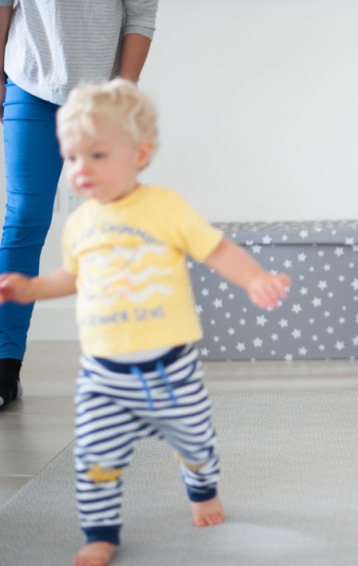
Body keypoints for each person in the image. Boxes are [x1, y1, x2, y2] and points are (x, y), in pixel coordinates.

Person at [0, 79, 291, 566]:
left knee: (196, 445)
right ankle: (100, 532)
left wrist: (254, 278)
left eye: (97, 155)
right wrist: (32, 289)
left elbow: (215, 248)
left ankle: (202, 491)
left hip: (171, 371)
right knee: (94, 460)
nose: (81, 169)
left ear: (140, 153)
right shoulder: (79, 224)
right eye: (72, 158)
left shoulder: (164, 207)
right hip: (102, 375)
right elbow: (71, 277)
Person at [0, 0, 159, 407]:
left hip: (101, 95)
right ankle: (4, 363)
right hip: (28, 81)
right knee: (24, 219)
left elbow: (139, 14)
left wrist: (122, 95)